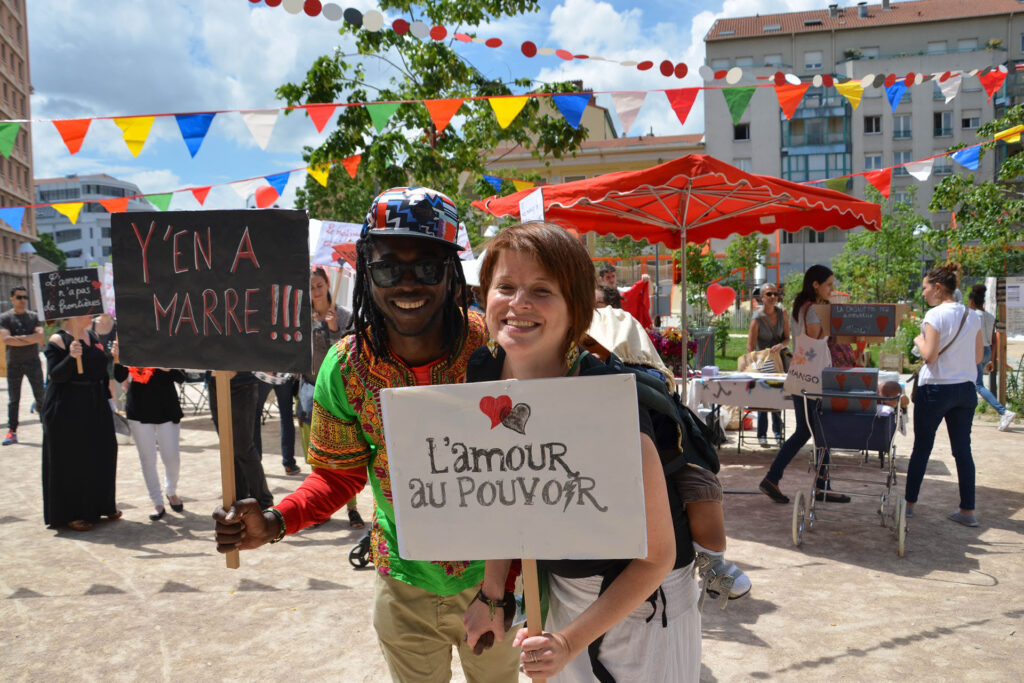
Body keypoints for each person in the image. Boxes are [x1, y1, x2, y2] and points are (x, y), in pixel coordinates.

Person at [213, 187, 517, 682]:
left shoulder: (495, 349)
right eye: (388, 267)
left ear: (450, 272)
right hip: (403, 588)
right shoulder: (347, 368)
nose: (407, 283)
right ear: (366, 273)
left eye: (427, 267)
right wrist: (273, 520)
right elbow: (337, 475)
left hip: (498, 581)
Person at [463, 222, 698, 682]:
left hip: (642, 604)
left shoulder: (608, 398)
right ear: (483, 296)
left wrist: (570, 641)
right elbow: (502, 494)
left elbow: (656, 557)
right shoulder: (485, 370)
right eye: (505, 286)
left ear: (576, 310)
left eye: (542, 290)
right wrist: (492, 594)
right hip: (563, 589)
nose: (519, 303)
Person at [582, 305, 751, 604]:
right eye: (582, 347)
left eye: (596, 346)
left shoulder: (643, 379)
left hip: (667, 462)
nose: (591, 355)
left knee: (703, 488)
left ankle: (713, 563)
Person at [759, 265, 850, 504]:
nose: (833, 288)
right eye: (829, 284)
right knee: (820, 431)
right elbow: (815, 338)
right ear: (816, 285)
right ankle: (821, 486)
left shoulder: (803, 307)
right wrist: (830, 318)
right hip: (813, 379)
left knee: (806, 430)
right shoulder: (812, 310)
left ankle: (775, 478)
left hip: (802, 376)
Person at [905, 264, 984, 527]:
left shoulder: (934, 315)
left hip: (936, 388)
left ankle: (909, 505)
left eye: (926, 287)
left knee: (922, 448)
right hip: (965, 389)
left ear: (938, 288)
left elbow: (929, 355)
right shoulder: (972, 316)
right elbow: (978, 357)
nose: (924, 292)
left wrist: (918, 340)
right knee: (963, 450)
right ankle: (967, 511)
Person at [295, 266, 363, 528]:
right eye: (311, 287)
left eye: (319, 285)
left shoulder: (344, 315)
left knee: (346, 456)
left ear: (327, 285)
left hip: (339, 395)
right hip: (309, 389)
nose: (316, 291)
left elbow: (352, 353)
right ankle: (320, 509)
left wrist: (335, 330)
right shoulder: (304, 319)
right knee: (315, 453)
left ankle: (352, 509)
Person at [42, 314, 120, 531]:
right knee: (75, 458)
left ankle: (102, 505)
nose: (91, 314)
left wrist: (113, 359)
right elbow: (55, 376)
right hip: (68, 407)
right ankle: (73, 513)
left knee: (104, 451)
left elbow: (101, 370)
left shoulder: (93, 335)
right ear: (72, 315)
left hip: (95, 403)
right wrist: (70, 357)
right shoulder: (58, 340)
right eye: (86, 311)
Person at [113, 352, 186, 521]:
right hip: (139, 408)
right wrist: (117, 357)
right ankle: (157, 502)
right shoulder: (131, 343)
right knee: (147, 458)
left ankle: (171, 491)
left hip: (166, 407)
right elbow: (119, 375)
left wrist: (165, 365)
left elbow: (181, 376)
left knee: (172, 457)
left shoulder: (166, 342)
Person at [208, 370, 273, 510]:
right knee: (228, 448)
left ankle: (264, 502)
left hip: (242, 383)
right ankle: (239, 500)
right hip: (215, 381)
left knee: (243, 448)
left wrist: (236, 367)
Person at [746, 282, 790, 448]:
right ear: (762, 298)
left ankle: (778, 433)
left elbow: (787, 338)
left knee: (778, 396)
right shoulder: (757, 318)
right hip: (762, 362)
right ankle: (762, 435)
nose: (773, 297)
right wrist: (754, 365)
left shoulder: (783, 313)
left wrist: (782, 345)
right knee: (763, 397)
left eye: (775, 294)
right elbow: (750, 347)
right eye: (769, 294)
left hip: (780, 361)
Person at [0, 286, 45, 445]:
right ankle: (12, 431)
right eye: (19, 297)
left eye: (25, 297)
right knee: (14, 399)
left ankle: (47, 428)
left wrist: (18, 339)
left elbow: (40, 336)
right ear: (12, 299)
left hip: (33, 362)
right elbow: (6, 340)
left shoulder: (34, 317)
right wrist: (29, 338)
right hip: (14, 363)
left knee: (41, 396)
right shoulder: (5, 318)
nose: (23, 300)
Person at [968, 284, 1015, 431]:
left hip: (976, 350)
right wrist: (992, 359)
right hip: (987, 350)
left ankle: (1003, 412)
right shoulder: (990, 316)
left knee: (978, 385)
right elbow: (994, 339)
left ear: (972, 301)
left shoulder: (972, 315)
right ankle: (968, 415)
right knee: (972, 384)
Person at [253, 372, 299, 475]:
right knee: (287, 417)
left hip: (262, 373)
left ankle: (256, 466)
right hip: (283, 374)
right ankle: (289, 464)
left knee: (254, 419)